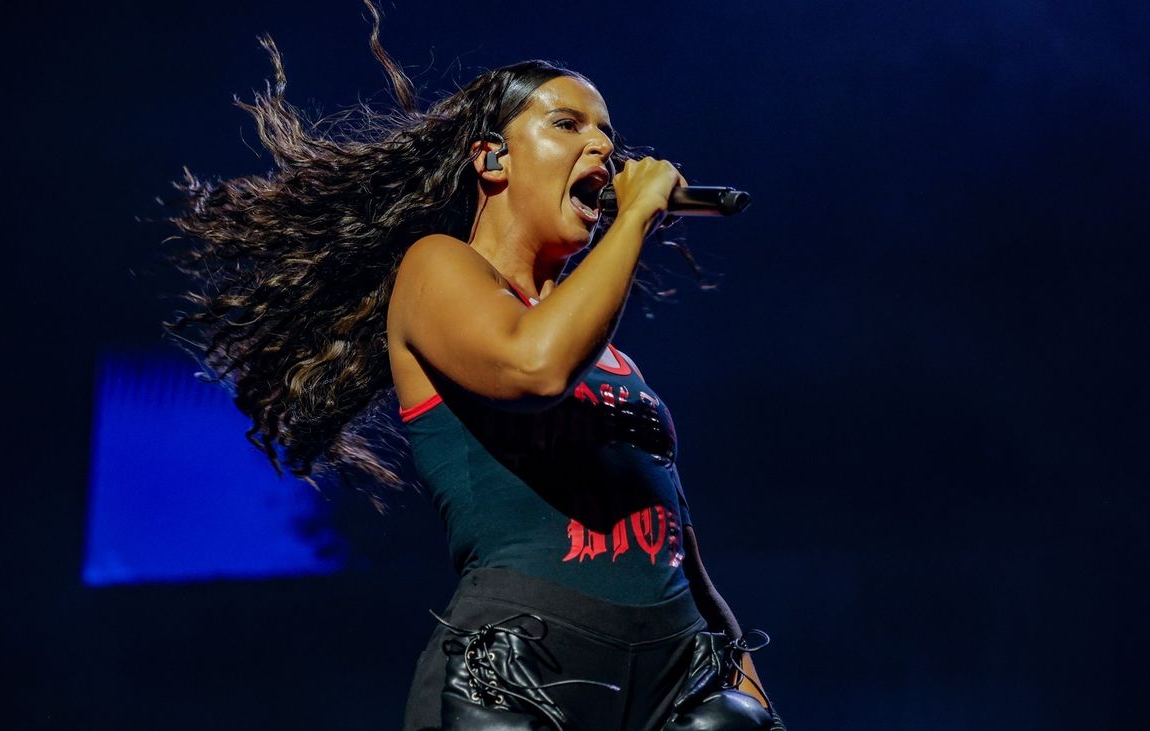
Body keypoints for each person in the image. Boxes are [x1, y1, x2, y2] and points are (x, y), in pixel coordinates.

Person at [164, 5, 785, 729]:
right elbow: (532, 367)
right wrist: (638, 216)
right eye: (568, 125)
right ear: (491, 159)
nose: (605, 153)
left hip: (676, 679)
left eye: (609, 138)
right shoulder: (436, 269)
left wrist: (748, 677)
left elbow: (678, 537)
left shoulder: (613, 355)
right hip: (527, 671)